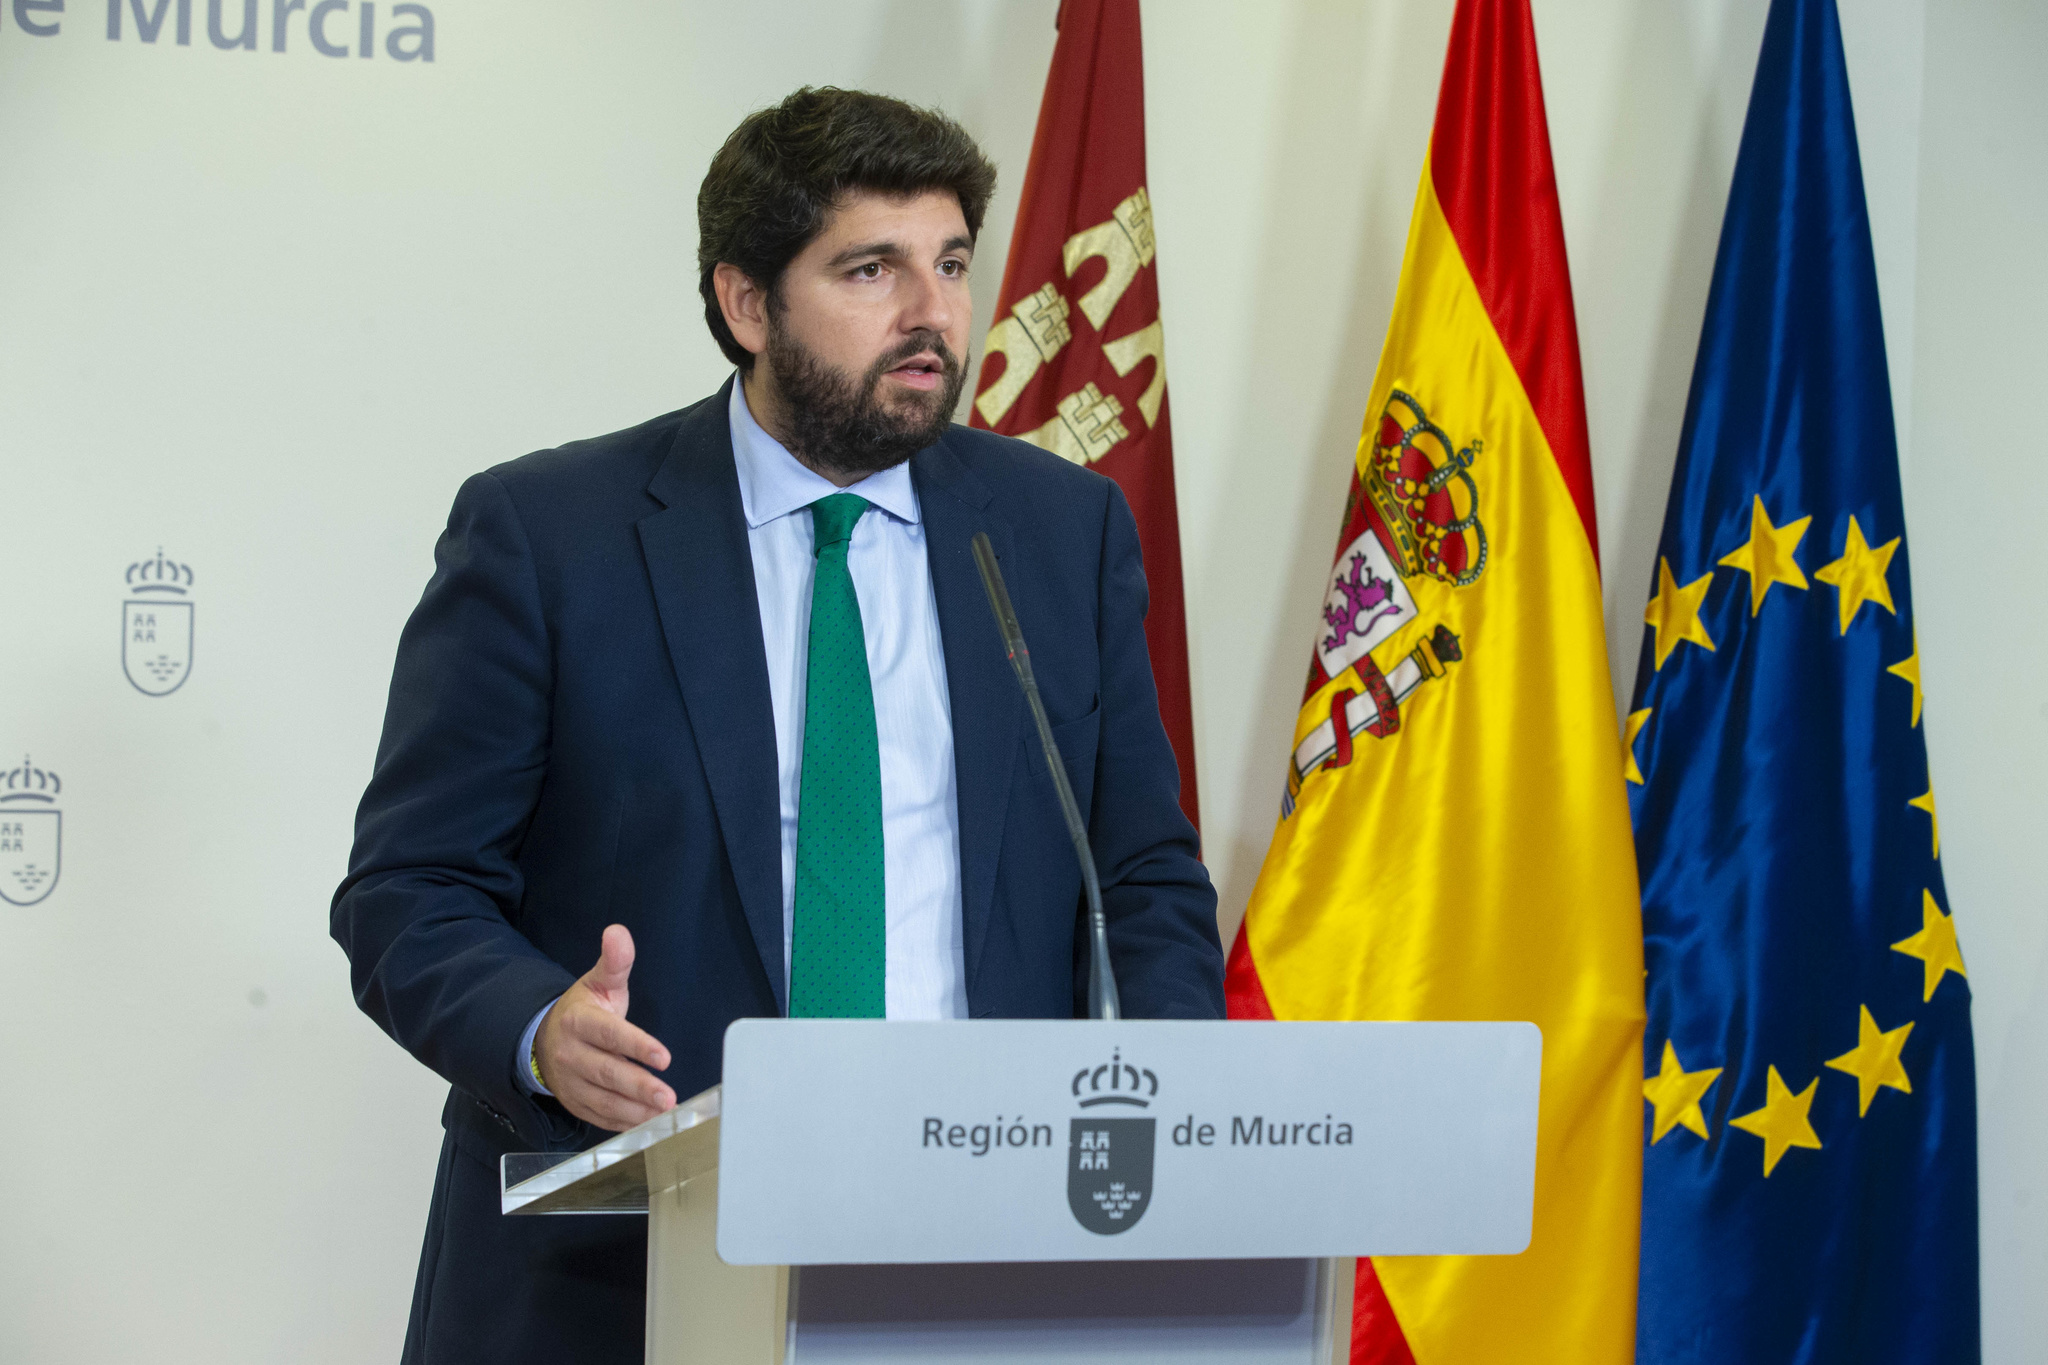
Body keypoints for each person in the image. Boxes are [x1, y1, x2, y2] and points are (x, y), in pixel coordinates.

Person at [332, 86, 1223, 1365]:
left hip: (985, 1248)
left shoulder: (1055, 534)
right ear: (746, 302)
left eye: (952, 263)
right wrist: (539, 1028)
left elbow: (1135, 873)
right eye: (872, 269)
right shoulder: (551, 536)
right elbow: (407, 889)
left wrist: (1165, 1112)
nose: (931, 314)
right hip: (628, 1266)